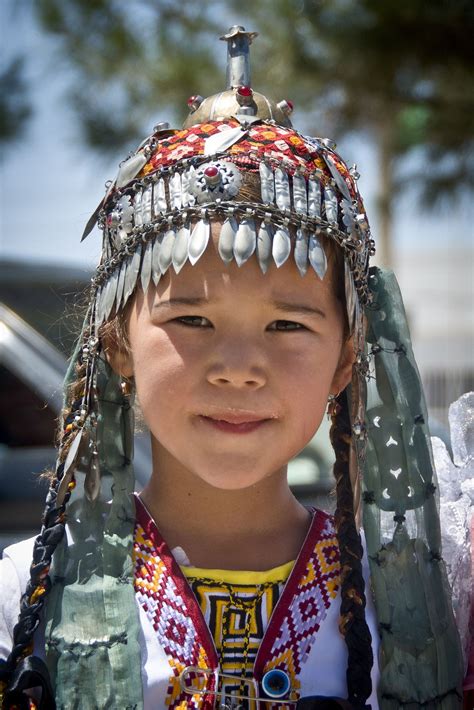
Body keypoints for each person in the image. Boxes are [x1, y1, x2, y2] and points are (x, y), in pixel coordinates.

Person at [0, 26, 466, 710]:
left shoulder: (421, 606)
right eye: (192, 319)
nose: (240, 368)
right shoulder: (22, 602)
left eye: (288, 325)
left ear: (346, 359)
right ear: (117, 344)